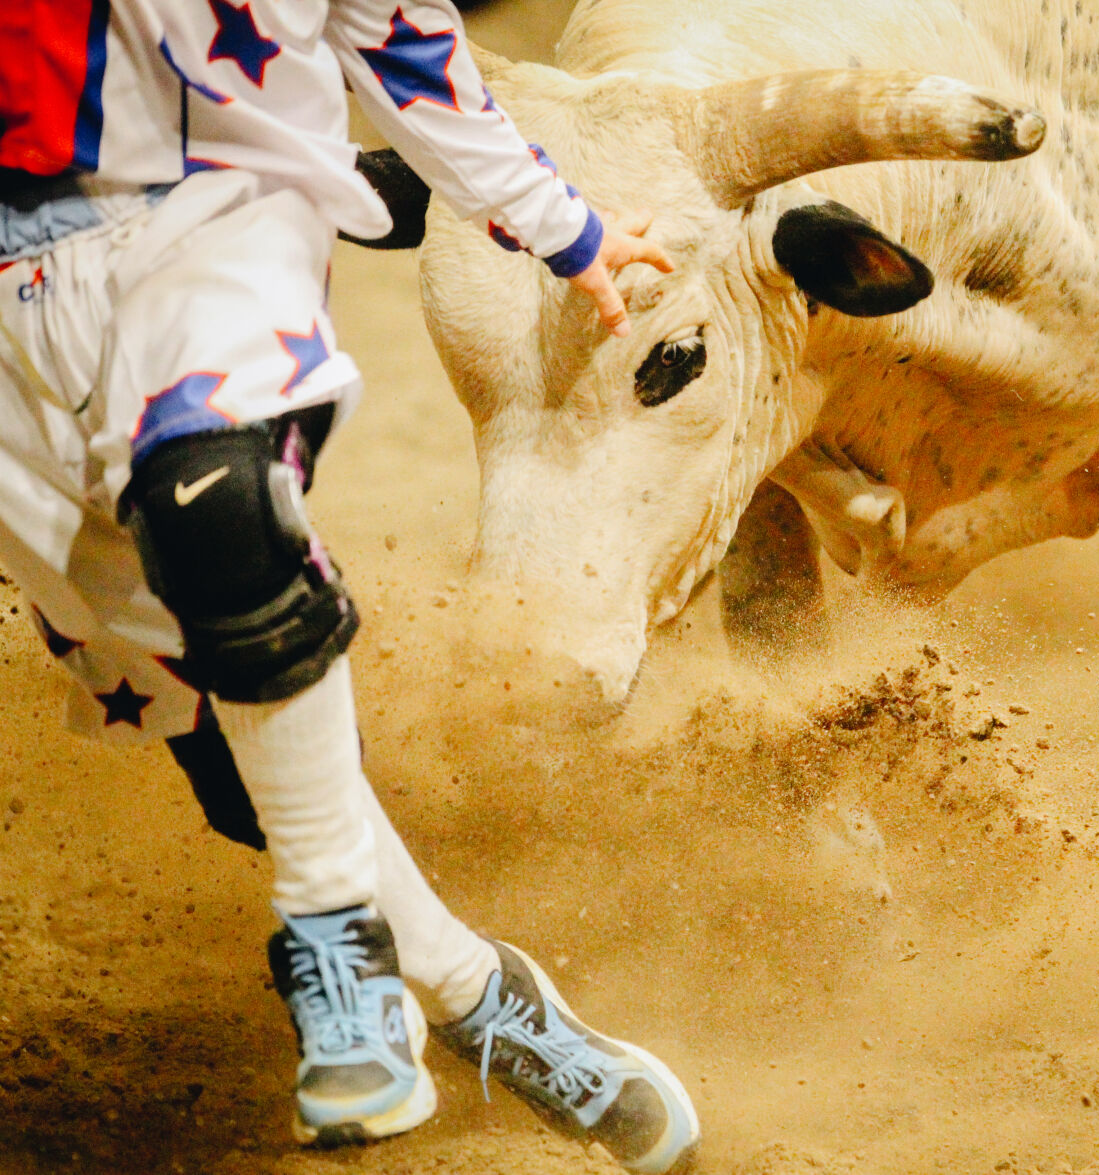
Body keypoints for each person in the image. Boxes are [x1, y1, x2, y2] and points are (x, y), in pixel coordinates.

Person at [0, 1, 697, 1169]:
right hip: (11, 293)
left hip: (206, 208)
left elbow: (397, 32)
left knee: (215, 502)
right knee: (229, 759)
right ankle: (481, 998)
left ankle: (339, 945)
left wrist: (560, 224)